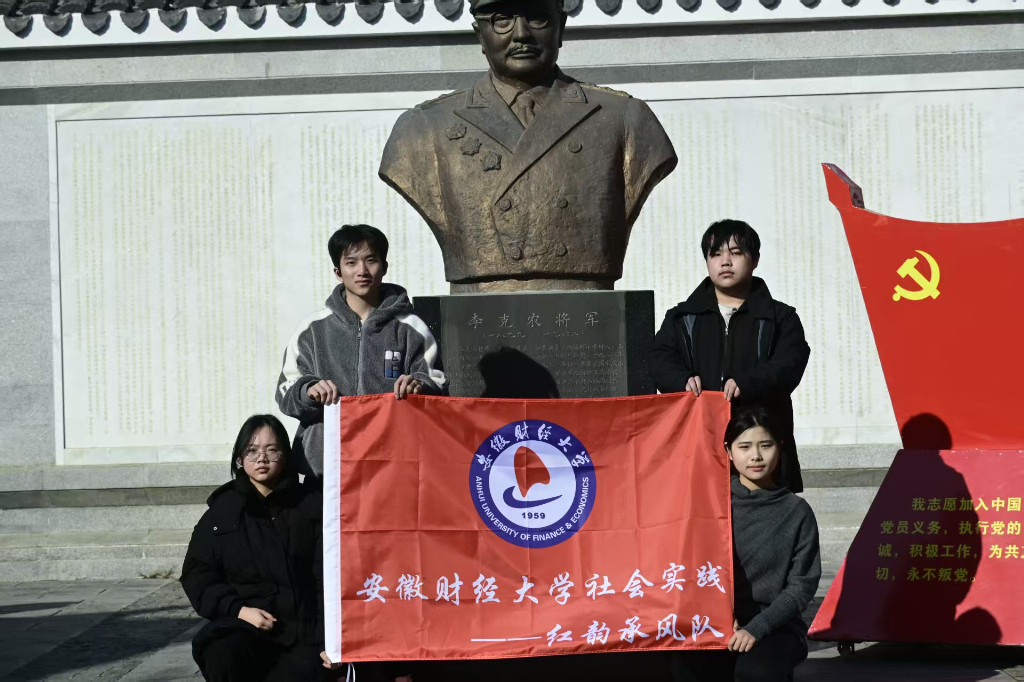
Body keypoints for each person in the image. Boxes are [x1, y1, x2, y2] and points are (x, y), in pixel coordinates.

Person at [379, 0, 677, 292]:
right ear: (480, 34)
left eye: (537, 17)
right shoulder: (424, 127)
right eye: (502, 19)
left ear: (560, 27)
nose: (521, 33)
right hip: (480, 304)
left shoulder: (625, 118)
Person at [649, 219, 810, 492]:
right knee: (702, 509)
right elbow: (658, 358)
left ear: (755, 260)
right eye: (716, 254)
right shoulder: (682, 317)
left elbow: (790, 364)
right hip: (699, 440)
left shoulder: (780, 317)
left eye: (736, 253)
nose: (725, 262)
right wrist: (680, 378)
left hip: (759, 441)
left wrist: (749, 383)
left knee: (763, 512)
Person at [275, 224, 447, 479]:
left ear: (384, 267)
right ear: (338, 272)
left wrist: (420, 386)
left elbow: (439, 386)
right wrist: (307, 391)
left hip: (392, 466)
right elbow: (285, 392)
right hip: (325, 469)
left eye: (371, 260)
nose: (362, 271)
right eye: (351, 262)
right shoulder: (312, 329)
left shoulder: (411, 328)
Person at [673, 407, 821, 682]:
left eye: (765, 445)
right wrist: (713, 614)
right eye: (744, 447)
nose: (756, 456)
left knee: (756, 672)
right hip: (713, 621)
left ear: (780, 447)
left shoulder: (796, 511)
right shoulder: (710, 505)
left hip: (776, 625)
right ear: (728, 451)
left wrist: (758, 627)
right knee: (679, 663)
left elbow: (801, 587)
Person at [180, 414, 332, 681]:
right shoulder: (223, 511)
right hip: (246, 627)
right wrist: (239, 610)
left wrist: (329, 641)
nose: (262, 459)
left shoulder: (310, 506)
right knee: (220, 651)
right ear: (240, 458)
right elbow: (197, 574)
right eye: (252, 451)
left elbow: (327, 578)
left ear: (286, 455)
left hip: (304, 631)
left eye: (272, 450)